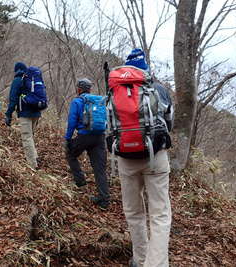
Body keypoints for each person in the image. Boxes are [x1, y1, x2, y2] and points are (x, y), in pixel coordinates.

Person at [110, 49, 173, 267]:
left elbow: (111, 126)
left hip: (125, 158)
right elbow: (169, 121)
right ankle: (155, 264)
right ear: (145, 68)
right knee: (159, 214)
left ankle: (140, 259)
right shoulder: (158, 89)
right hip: (155, 156)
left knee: (133, 211)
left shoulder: (114, 89)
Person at [64, 78, 110, 210]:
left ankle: (80, 181)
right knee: (99, 169)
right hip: (99, 137)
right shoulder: (98, 101)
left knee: (70, 154)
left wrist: (68, 139)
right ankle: (104, 200)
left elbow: (72, 121)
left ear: (79, 89)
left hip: (84, 136)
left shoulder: (77, 101)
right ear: (89, 89)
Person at [5, 62, 40, 169]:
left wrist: (8, 114)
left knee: (26, 137)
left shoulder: (17, 80)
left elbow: (13, 99)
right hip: (37, 112)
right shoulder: (33, 79)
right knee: (30, 136)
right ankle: (35, 156)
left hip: (25, 113)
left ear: (17, 70)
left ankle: (32, 165)